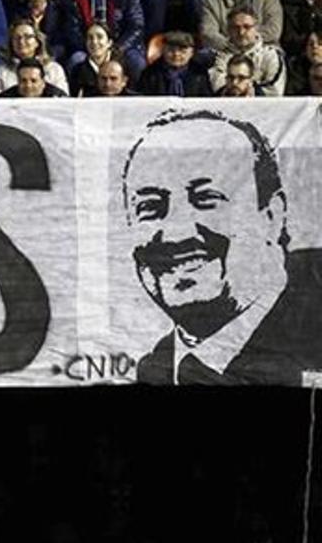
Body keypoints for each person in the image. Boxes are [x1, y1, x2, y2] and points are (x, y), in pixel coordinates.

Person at [123, 109, 322, 385]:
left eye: (206, 199)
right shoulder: (154, 367)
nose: (176, 234)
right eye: (150, 207)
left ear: (272, 216)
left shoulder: (312, 331)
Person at [208, 5, 286, 96]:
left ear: (256, 28)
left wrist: (252, 92)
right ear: (228, 30)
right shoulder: (219, 57)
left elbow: (275, 91)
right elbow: (218, 88)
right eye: (236, 28)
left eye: (247, 27)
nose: (241, 32)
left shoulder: (271, 55)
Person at [0, 19, 68, 96]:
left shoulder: (54, 69)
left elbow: (64, 101)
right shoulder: (1, 72)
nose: (21, 41)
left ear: (37, 41)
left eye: (27, 37)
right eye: (17, 37)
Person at [137, 30, 212, 96]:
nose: (176, 54)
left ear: (191, 53)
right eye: (171, 50)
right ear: (163, 50)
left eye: (183, 51)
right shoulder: (150, 74)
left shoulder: (199, 74)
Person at [66, 22, 115, 96]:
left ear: (109, 42)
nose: (94, 42)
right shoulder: (77, 71)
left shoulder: (122, 66)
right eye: (90, 37)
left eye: (99, 37)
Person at [0, 55, 66, 96]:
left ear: (43, 82)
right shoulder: (4, 98)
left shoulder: (58, 97)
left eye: (33, 81)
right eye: (23, 81)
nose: (28, 85)